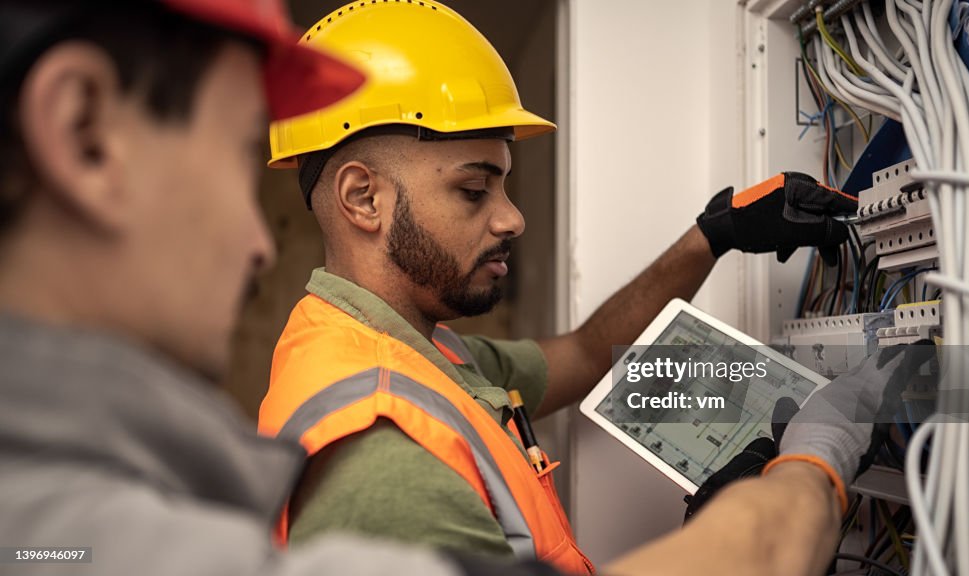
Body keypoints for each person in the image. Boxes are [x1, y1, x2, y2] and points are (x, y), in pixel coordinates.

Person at [256, 1, 865, 573]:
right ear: (365, 199)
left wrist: (712, 234)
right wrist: (805, 474)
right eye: (474, 189)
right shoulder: (379, 453)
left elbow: (584, 351)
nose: (511, 218)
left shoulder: (418, 352)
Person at [0, 1, 555, 575]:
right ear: (83, 133)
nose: (261, 243)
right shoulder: (377, 445)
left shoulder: (433, 351)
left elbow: (582, 354)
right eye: (241, 153)